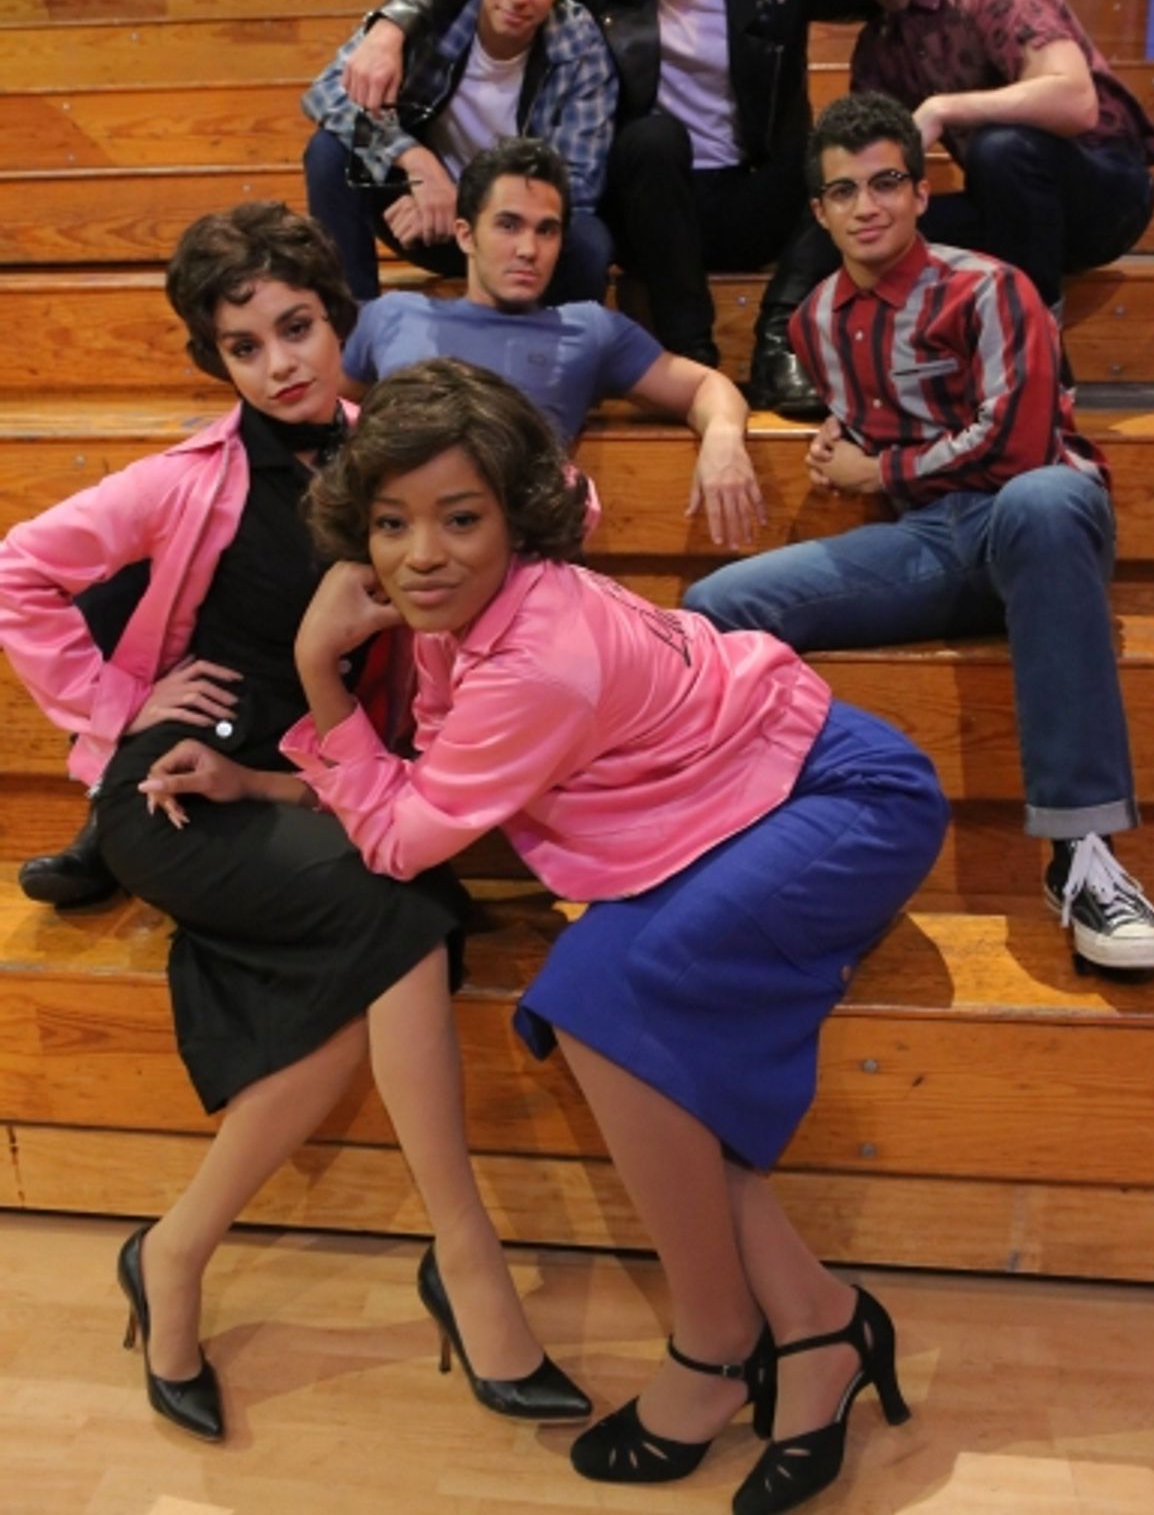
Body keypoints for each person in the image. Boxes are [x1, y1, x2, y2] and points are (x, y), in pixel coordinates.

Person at [139, 355, 947, 1510]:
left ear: (513, 518)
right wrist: (261, 784)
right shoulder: (473, 609)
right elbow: (428, 785)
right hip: (731, 806)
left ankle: (721, 1344)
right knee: (608, 1006)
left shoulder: (537, 656)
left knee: (604, 1004)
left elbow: (408, 837)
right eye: (391, 524)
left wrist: (320, 667)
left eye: (460, 518)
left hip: (837, 799)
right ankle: (817, 1324)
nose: (423, 554)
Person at [0, 207, 590, 1442]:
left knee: (393, 925)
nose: (279, 362)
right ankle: (465, 1255)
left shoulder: (393, 450)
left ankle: (173, 1252)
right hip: (178, 787)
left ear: (337, 320)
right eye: (244, 345)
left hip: (320, 779)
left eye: (296, 327)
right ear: (217, 363)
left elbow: (531, 509)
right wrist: (120, 704)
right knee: (406, 918)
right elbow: (18, 571)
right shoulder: (184, 479)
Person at [684, 92, 1154, 973]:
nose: (866, 206)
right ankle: (746, 845)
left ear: (918, 193)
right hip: (933, 542)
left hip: (1038, 523)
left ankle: (1086, 856)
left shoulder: (990, 287)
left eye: (885, 183)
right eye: (844, 191)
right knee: (715, 605)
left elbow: (1020, 444)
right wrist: (846, 445)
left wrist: (880, 472)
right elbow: (876, 425)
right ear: (820, 211)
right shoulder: (816, 323)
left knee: (1042, 499)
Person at [349, 0, 1046, 411]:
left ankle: (778, 341)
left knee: (833, 155)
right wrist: (392, 24)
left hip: (761, 197)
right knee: (651, 137)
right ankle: (691, 352)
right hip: (658, 205)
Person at [774, 0, 1154, 317]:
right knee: (862, 221)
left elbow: (1076, 100)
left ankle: (1034, 351)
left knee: (1001, 148)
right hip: (1009, 208)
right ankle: (822, 352)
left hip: (1104, 191)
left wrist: (944, 108)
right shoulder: (877, 51)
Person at [343, 135, 765, 549]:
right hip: (399, 552)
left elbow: (706, 387)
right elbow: (326, 411)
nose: (529, 249)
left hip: (516, 559)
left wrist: (724, 440)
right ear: (466, 235)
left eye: (546, 231)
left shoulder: (588, 331)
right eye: (508, 225)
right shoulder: (392, 316)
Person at [303, 0, 615, 307]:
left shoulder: (579, 45)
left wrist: (472, 205)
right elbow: (325, 93)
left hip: (513, 228)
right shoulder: (431, 14)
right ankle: (353, 335)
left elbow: (578, 184)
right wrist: (417, 163)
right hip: (423, 213)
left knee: (587, 241)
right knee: (329, 154)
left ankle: (555, 364)